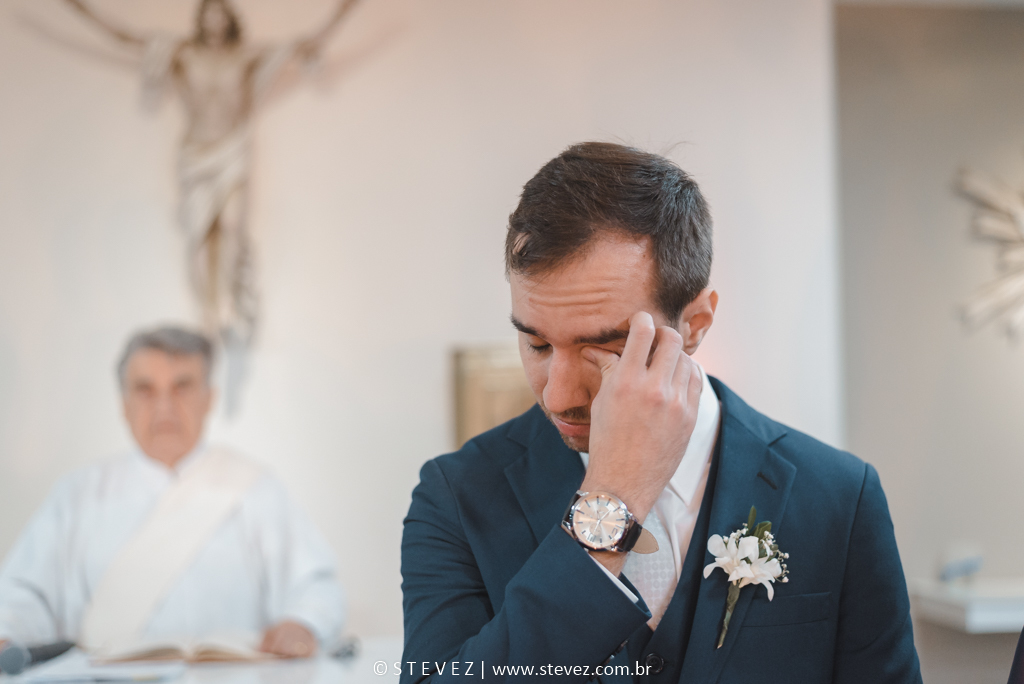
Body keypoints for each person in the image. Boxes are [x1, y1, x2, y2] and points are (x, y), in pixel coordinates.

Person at [401, 143, 922, 683]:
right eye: (535, 345)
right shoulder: (457, 496)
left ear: (695, 324)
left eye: (603, 348)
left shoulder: (838, 496)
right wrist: (613, 500)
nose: (556, 395)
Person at [0, 326, 344, 658]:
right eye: (145, 389)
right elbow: (24, 594)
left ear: (209, 398)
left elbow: (314, 585)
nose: (164, 406)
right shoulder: (77, 494)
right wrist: (8, 631)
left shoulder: (256, 488)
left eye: (182, 387)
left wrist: (302, 623)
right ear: (123, 404)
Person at [61, 0, 361, 346]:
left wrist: (343, 12)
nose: (214, 20)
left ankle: (231, 308)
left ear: (229, 20)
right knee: (199, 237)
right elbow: (124, 38)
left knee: (233, 227)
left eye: (220, 13)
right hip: (196, 153)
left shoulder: (246, 56)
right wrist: (81, 10)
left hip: (231, 149)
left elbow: (305, 43)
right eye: (208, 13)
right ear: (199, 19)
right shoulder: (181, 53)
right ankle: (208, 315)